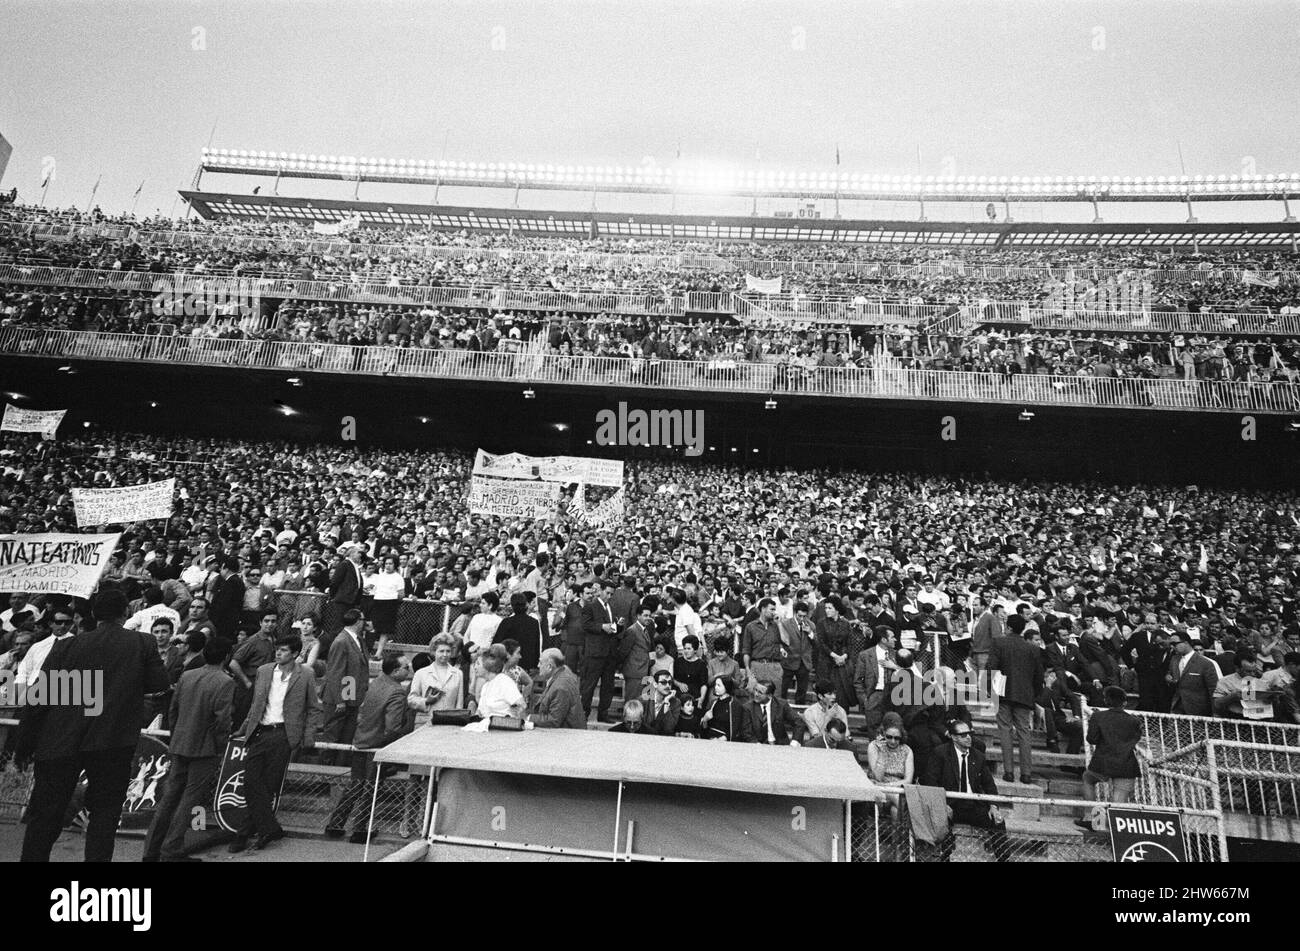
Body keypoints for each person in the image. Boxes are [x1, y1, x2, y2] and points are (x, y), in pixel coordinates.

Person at [17, 589, 169, 863]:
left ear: (94, 615)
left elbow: (38, 700)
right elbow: (159, 684)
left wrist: (24, 746)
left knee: (45, 817)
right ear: (125, 614)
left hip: (61, 741)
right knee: (104, 817)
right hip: (112, 742)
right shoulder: (142, 643)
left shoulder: (66, 646)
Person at [142, 639, 235, 862]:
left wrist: (177, 736)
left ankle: (151, 850)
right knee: (188, 799)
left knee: (169, 798)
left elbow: (173, 709)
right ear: (226, 657)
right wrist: (220, 746)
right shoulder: (225, 681)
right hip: (205, 748)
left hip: (181, 742)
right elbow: (223, 720)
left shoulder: (188, 675)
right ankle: (171, 849)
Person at [230, 633, 323, 853]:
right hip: (260, 731)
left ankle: (246, 833)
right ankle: (269, 828)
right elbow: (256, 704)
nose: (278, 653)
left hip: (283, 734)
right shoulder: (264, 671)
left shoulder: (306, 674)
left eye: (283, 650)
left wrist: (308, 737)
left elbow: (313, 707)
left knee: (269, 784)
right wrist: (243, 730)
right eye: (277, 650)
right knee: (251, 781)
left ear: (295, 654)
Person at [326, 653, 413, 843]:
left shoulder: (378, 682)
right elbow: (392, 728)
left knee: (356, 786)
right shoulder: (397, 692)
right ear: (396, 671)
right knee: (371, 789)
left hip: (361, 741)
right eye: (406, 667)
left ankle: (335, 824)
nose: (409, 669)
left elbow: (363, 712)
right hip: (376, 746)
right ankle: (359, 830)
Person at [922, 719, 1009, 862]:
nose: (968, 737)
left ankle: (1004, 859)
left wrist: (993, 806)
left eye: (969, 734)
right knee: (941, 819)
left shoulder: (978, 756)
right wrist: (941, 804)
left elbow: (989, 785)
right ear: (953, 737)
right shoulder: (940, 753)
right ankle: (944, 858)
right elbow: (930, 782)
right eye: (963, 735)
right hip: (950, 804)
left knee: (998, 820)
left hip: (973, 804)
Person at [1076, 686, 1142, 830]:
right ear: (1124, 703)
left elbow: (1091, 739)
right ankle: (1113, 829)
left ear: (1106, 701)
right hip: (1127, 765)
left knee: (1088, 779)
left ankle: (1093, 819)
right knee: (1118, 802)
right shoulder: (1134, 721)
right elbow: (1136, 739)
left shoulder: (1098, 717)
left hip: (1102, 763)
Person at [989, 624, 1044, 784]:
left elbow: (991, 667)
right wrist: (1034, 694)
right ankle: (1026, 774)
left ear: (1008, 627)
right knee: (1024, 733)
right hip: (1025, 694)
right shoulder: (1033, 648)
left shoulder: (999, 642)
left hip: (1003, 691)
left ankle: (1009, 772)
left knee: (1005, 731)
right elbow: (1039, 675)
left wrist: (989, 689)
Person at [322, 608, 370, 762]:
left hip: (351, 696)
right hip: (340, 699)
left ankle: (339, 772)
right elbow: (336, 672)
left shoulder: (358, 639)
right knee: (333, 737)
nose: (365, 623)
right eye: (363, 620)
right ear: (357, 621)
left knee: (346, 738)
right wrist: (340, 700)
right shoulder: (341, 641)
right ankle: (325, 772)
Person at [227, 611, 277, 730]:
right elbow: (234, 663)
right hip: (249, 684)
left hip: (263, 683)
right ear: (260, 623)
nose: (269, 624)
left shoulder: (273, 640)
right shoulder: (253, 641)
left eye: (273, 621)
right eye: (266, 621)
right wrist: (247, 682)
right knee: (241, 716)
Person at [580, 579, 620, 722]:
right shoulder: (590, 606)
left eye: (611, 594)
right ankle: (583, 713)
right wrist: (602, 627)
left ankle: (603, 714)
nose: (609, 596)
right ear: (601, 590)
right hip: (595, 652)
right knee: (589, 685)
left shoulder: (611, 607)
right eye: (607, 593)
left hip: (609, 652)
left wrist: (616, 626)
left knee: (608, 685)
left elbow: (613, 627)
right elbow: (585, 625)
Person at [408, 633, 466, 724]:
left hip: (449, 722)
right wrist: (426, 701)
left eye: (448, 651)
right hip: (426, 721)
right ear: (434, 652)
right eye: (441, 651)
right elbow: (411, 700)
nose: (445, 654)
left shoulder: (458, 673)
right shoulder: (421, 673)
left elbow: (459, 703)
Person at [866, 713, 915, 818]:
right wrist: (883, 751)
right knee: (897, 799)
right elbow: (878, 777)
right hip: (876, 788)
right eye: (889, 737)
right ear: (883, 733)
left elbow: (908, 780)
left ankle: (897, 834)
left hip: (896, 789)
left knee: (895, 810)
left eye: (896, 738)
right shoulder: (874, 746)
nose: (893, 741)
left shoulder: (906, 750)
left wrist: (889, 786)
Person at [529, 648, 586, 729]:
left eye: (541, 662)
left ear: (549, 667)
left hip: (567, 736)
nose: (538, 665)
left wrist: (529, 718)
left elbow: (554, 720)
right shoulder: (563, 671)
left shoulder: (560, 687)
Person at [854, 626, 896, 736]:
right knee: (874, 732)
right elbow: (858, 680)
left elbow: (909, 672)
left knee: (891, 730)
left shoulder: (896, 655)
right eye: (892, 637)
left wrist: (895, 666)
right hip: (874, 696)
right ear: (883, 639)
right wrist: (865, 700)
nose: (895, 639)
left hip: (893, 697)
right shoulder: (865, 655)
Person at [1167, 629, 1219, 716]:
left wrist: (1215, 713)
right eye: (1171, 644)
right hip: (1176, 707)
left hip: (1198, 711)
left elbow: (1213, 689)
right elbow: (1171, 674)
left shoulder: (1206, 663)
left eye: (1174, 644)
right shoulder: (1174, 659)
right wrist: (1168, 677)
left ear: (1186, 643)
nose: (1172, 647)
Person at [742, 597, 785, 693]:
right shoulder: (751, 626)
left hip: (774, 666)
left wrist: (779, 624)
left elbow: (786, 641)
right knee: (755, 696)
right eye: (771, 609)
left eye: (775, 609)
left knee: (775, 698)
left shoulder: (776, 625)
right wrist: (748, 670)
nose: (774, 612)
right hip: (757, 665)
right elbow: (746, 650)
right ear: (763, 609)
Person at [616, 601, 656, 705]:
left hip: (645, 671)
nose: (648, 618)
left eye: (649, 616)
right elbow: (623, 651)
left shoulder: (646, 630)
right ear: (638, 616)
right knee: (632, 702)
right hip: (634, 672)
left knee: (645, 701)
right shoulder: (632, 631)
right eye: (645, 615)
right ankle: (629, 720)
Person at [494, 592, 543, 673]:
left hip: (509, 663)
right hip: (527, 663)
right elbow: (536, 644)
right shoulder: (533, 622)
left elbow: (497, 642)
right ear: (526, 605)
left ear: (512, 606)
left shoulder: (507, 622)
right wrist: (534, 664)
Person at [778, 600, 815, 704]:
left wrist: (810, 633)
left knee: (802, 690)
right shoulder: (786, 624)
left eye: (804, 616)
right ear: (795, 613)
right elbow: (779, 639)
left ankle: (799, 711)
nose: (802, 618)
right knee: (783, 689)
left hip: (804, 662)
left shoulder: (811, 625)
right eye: (799, 616)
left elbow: (816, 643)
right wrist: (781, 649)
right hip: (789, 660)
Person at [748, 678, 802, 745]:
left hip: (780, 745)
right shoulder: (748, 707)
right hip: (758, 746)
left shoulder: (781, 705)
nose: (756, 694)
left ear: (770, 696)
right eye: (755, 690)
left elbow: (798, 722)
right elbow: (747, 732)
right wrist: (756, 744)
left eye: (760, 692)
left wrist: (795, 741)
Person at [476, 644, 525, 718]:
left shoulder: (504, 681)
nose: (475, 667)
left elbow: (521, 705)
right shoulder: (485, 686)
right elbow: (480, 712)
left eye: (478, 663)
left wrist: (512, 720)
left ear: (488, 663)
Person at [326, 544, 365, 635]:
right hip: (342, 600)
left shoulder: (354, 566)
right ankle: (333, 647)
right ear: (351, 553)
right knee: (338, 625)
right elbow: (335, 581)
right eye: (358, 553)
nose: (360, 555)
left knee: (347, 626)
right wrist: (333, 595)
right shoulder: (344, 564)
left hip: (351, 601)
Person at [700, 675, 753, 741]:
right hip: (709, 737)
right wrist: (705, 720)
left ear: (726, 687)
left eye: (719, 685)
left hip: (723, 740)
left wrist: (722, 739)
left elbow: (735, 729)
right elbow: (704, 730)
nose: (715, 687)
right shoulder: (713, 703)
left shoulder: (734, 704)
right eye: (715, 685)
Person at [802, 679, 847, 744]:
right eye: (829, 694)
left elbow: (844, 737)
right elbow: (817, 741)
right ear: (820, 696)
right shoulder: (809, 712)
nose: (834, 697)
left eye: (834, 693)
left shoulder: (840, 710)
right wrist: (828, 717)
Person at [644, 670, 682, 735]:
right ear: (655, 684)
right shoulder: (644, 699)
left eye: (670, 682)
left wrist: (666, 703)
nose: (668, 686)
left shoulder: (676, 702)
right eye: (663, 682)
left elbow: (669, 729)